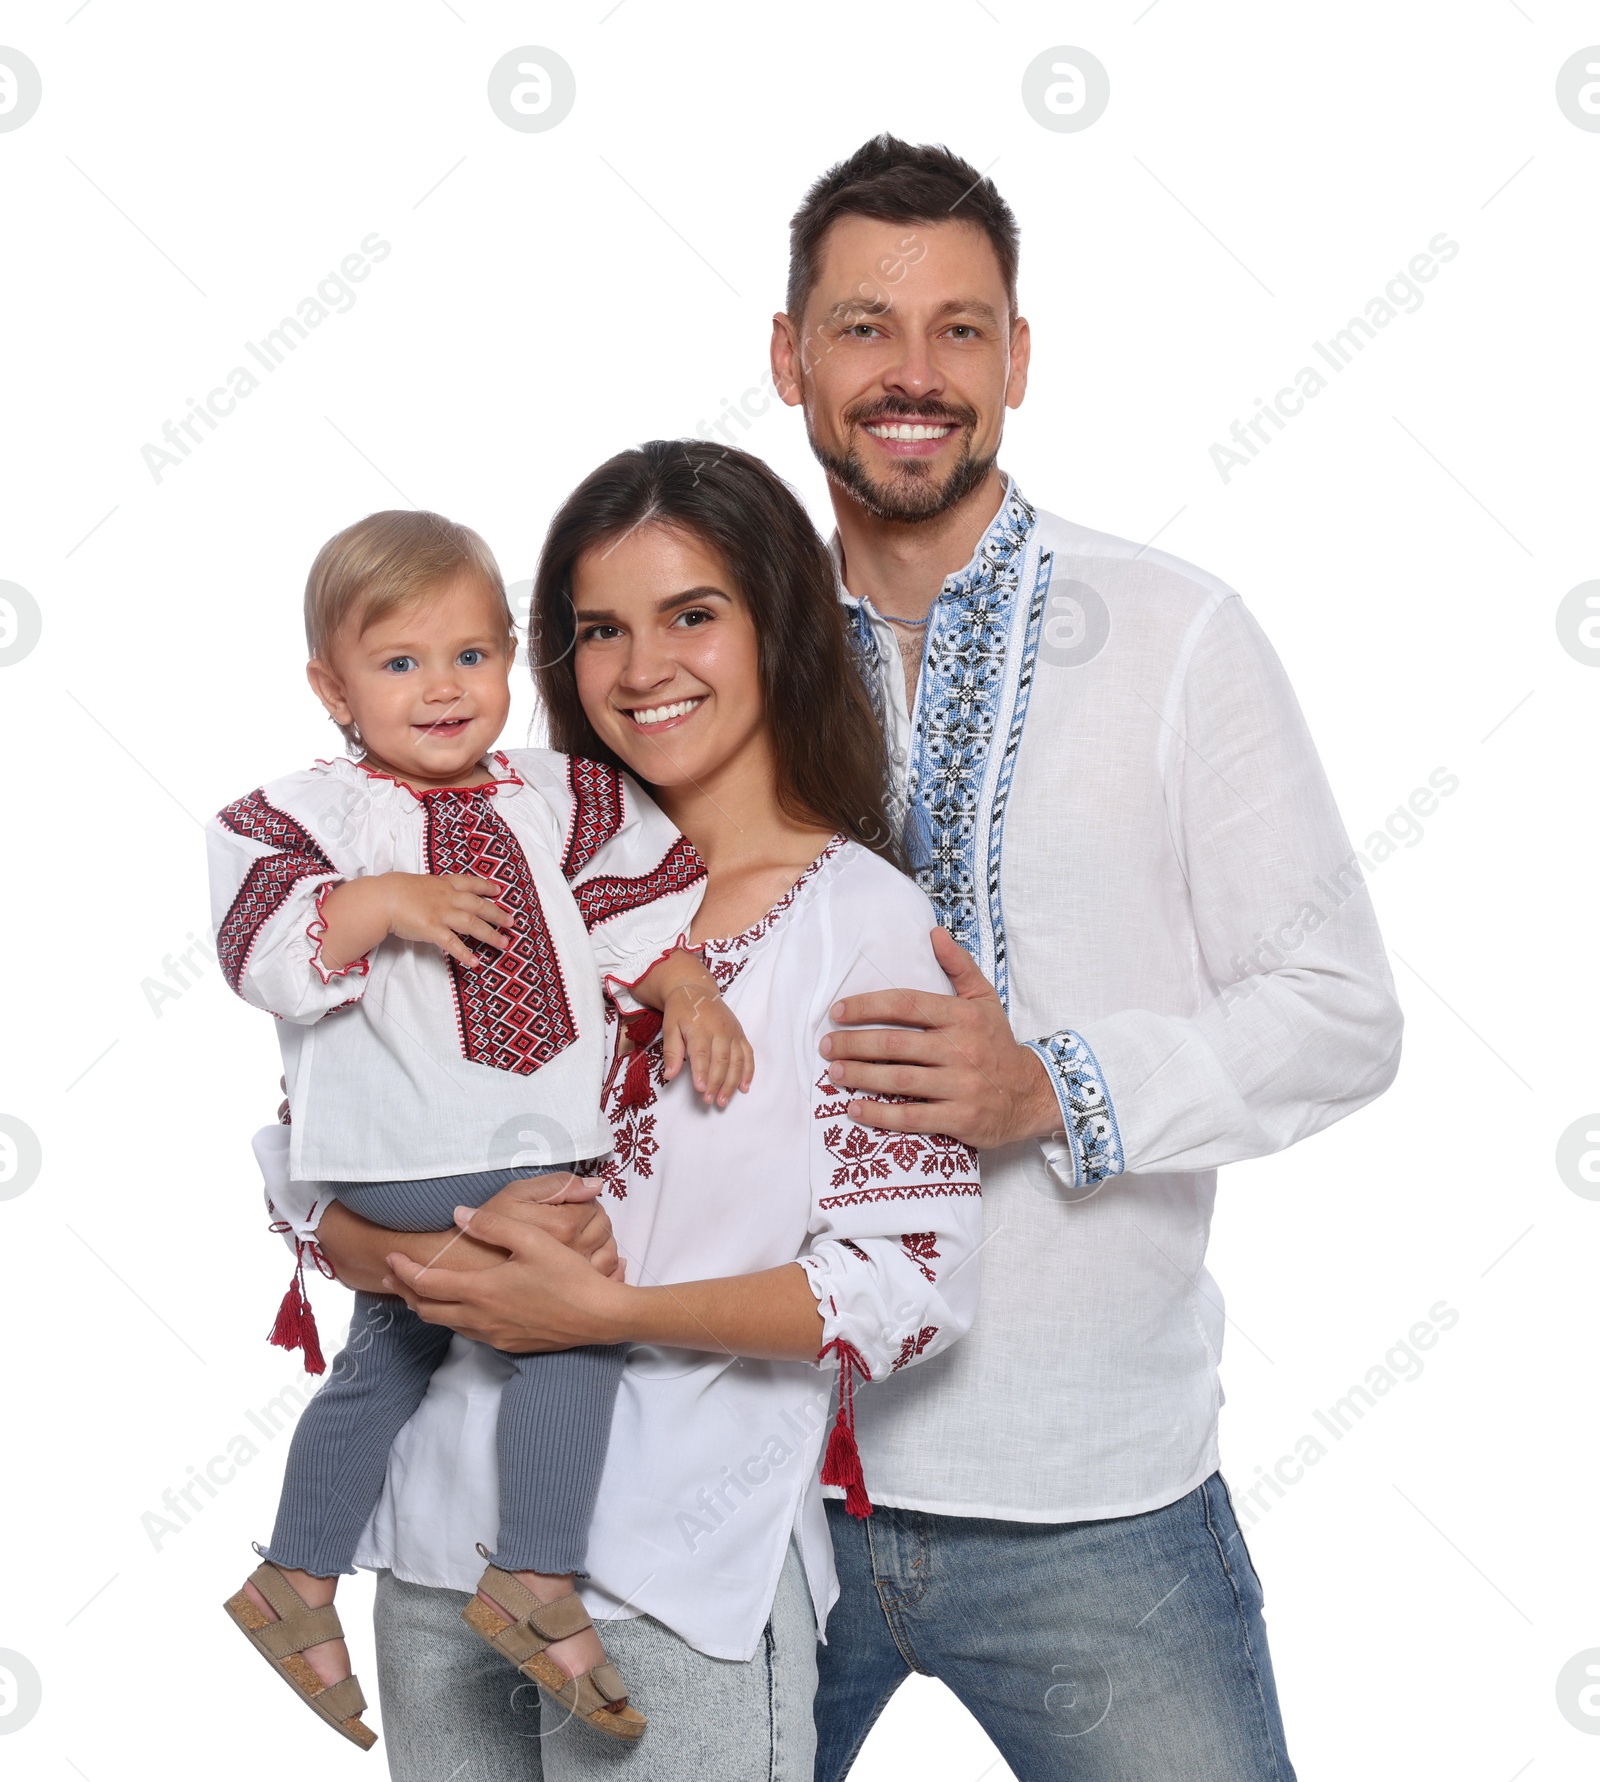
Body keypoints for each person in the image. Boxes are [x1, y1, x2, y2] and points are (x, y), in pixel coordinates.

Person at [760, 134, 1406, 1781]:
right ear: (789, 358)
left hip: (1092, 1505)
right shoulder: (702, 651)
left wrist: (1052, 1082)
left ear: (1019, 360)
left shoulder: (1179, 634)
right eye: (863, 326)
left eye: (959, 329)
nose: (914, 374)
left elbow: (1340, 1011)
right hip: (748, 1492)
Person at [256, 443, 986, 1779]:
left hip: (670, 1566)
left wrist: (613, 1316)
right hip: (433, 1555)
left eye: (692, 613)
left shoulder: (860, 924)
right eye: (600, 627)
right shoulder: (476, 852)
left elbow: (907, 1283)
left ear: (783, 625)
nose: (643, 665)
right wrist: (372, 1249)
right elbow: (329, 1140)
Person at [213, 509, 752, 1748]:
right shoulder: (304, 817)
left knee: (391, 1354)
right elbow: (263, 952)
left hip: (509, 1130)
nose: (442, 688)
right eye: (399, 664)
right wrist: (374, 904)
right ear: (331, 688)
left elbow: (635, 910)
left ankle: (294, 1579)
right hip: (407, 1142)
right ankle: (537, 1573)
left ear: (511, 658)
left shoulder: (556, 793)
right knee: (571, 1325)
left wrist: (685, 984)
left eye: (470, 656)